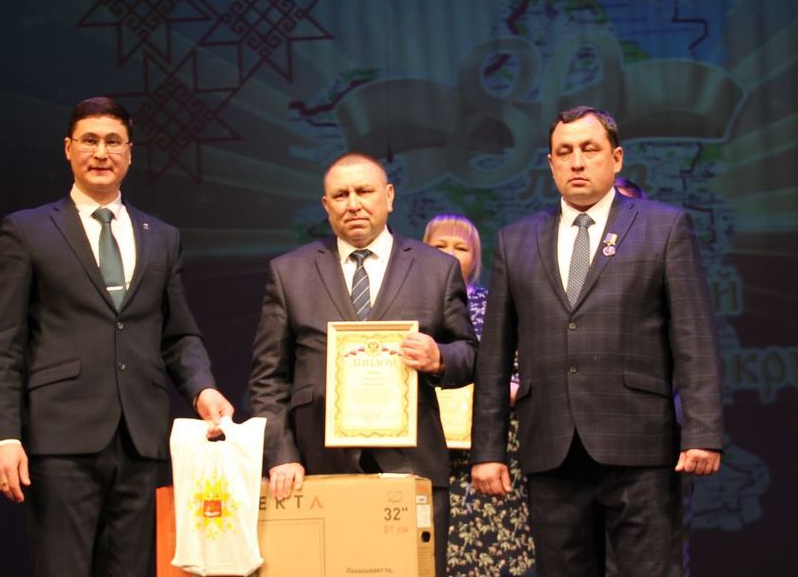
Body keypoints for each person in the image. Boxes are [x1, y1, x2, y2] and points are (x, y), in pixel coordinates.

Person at [0, 96, 234, 577]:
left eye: (113, 142)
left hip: (141, 440)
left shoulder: (162, 236)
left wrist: (202, 388)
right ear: (68, 148)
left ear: (130, 153)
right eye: (90, 141)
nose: (101, 153)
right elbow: (3, 344)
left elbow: (179, 335)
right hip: (61, 440)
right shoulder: (28, 230)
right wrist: (3, 437)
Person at [471, 106, 724, 577]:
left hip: (641, 444)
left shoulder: (664, 227)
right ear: (550, 164)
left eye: (589, 149)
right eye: (564, 152)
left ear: (616, 158)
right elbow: (494, 359)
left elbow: (694, 337)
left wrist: (703, 432)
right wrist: (488, 450)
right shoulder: (515, 240)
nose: (577, 161)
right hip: (551, 447)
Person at [249, 152, 478, 577]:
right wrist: (281, 454)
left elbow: (470, 354)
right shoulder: (289, 272)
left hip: (412, 463)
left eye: (364, 191)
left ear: (388, 197)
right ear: (326, 205)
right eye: (341, 195)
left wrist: (439, 358)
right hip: (318, 468)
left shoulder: (437, 269)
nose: (353, 203)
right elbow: (268, 378)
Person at [423, 214, 536, 576]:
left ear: (476, 257)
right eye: (440, 245)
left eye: (461, 247)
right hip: (428, 442)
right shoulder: (408, 306)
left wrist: (504, 390)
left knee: (496, 544)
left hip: (492, 443)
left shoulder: (498, 304)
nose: (450, 254)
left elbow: (523, 368)